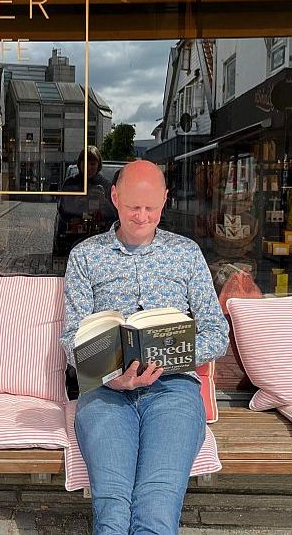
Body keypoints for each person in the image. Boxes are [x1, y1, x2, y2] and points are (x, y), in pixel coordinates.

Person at [60, 160, 229, 535]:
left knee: (156, 507)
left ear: (165, 201)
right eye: (134, 207)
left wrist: (171, 355)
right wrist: (110, 375)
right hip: (106, 391)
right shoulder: (86, 256)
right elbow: (71, 338)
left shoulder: (185, 254)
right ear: (115, 198)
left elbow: (217, 333)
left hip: (174, 390)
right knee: (113, 511)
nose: (142, 216)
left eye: (151, 208)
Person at [55, 146, 118, 255]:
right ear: (80, 164)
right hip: (73, 237)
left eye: (92, 164)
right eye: (85, 163)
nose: (88, 168)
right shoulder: (71, 183)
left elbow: (114, 216)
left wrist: (103, 202)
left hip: (99, 237)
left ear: (98, 165)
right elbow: (63, 211)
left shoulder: (105, 185)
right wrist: (77, 201)